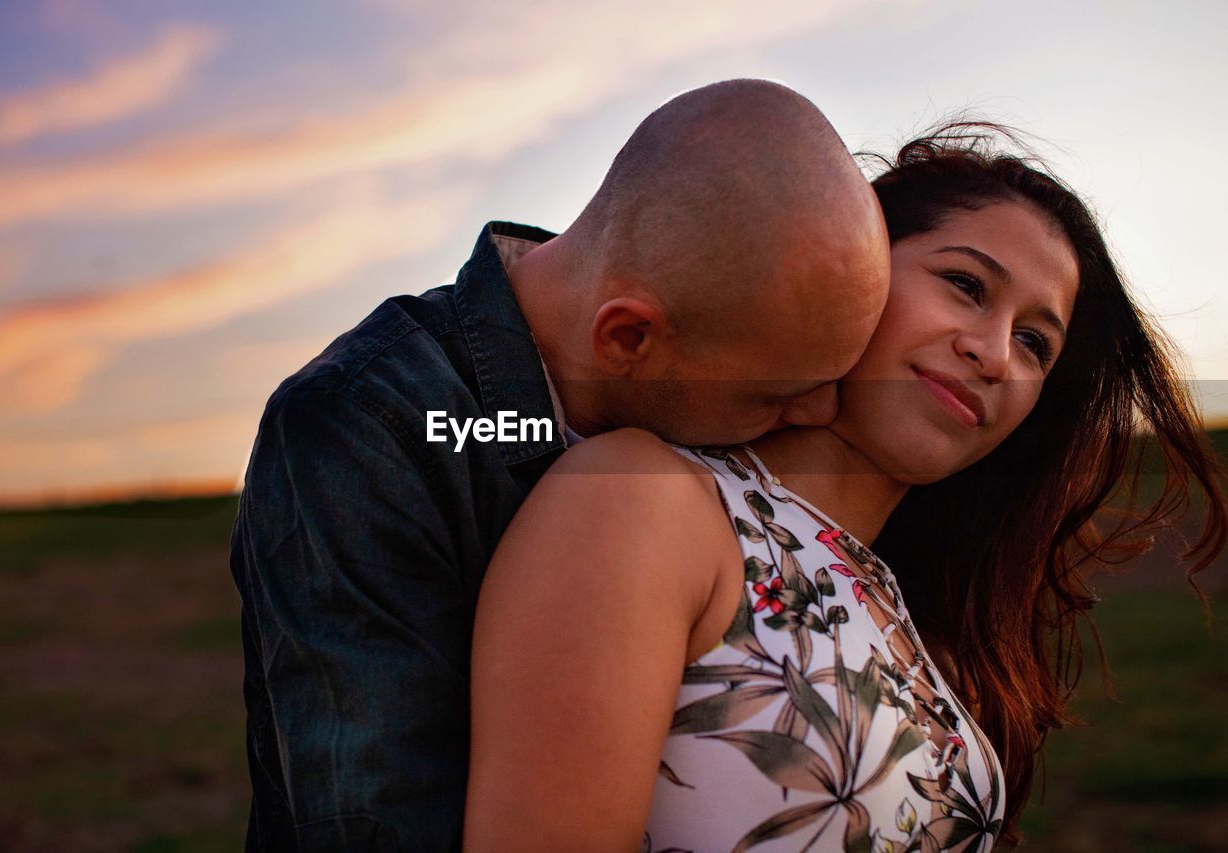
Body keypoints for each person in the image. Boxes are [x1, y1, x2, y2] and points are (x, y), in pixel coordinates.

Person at [465, 127, 1227, 851]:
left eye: (1035, 342)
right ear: (852, 269)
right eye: (965, 285)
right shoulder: (644, 500)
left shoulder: (906, 616)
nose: (994, 352)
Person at [229, 79, 891, 850]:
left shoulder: (692, 353)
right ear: (628, 340)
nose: (816, 416)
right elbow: (378, 822)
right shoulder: (367, 429)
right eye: (778, 397)